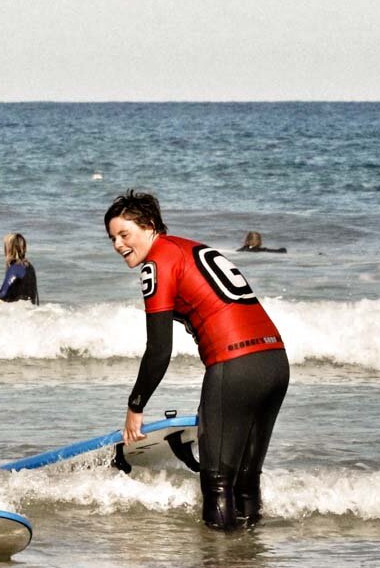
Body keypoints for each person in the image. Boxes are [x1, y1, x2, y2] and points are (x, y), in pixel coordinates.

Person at [105, 189, 289, 531]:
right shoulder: (190, 247)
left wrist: (135, 406)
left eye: (124, 234)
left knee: (217, 482)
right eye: (112, 238)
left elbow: (159, 351)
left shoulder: (158, 262)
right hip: (275, 361)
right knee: (246, 480)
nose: (117, 244)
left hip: (235, 366)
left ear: (148, 226)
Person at [0, 232, 38, 303]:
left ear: (9, 249)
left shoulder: (15, 268)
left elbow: (3, 294)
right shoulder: (29, 266)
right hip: (29, 309)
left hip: (17, 310)